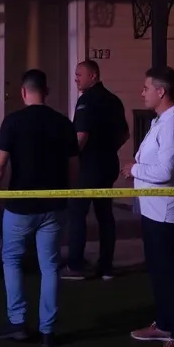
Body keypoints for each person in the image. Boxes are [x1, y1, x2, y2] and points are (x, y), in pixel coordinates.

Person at [0, 69, 78, 347]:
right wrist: (67, 196)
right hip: (54, 205)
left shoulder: (13, 122)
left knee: (11, 259)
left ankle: (18, 323)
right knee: (49, 266)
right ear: (45, 92)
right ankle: (47, 331)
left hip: (20, 207)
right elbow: (74, 167)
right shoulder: (63, 123)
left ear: (24, 92)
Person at [121, 66, 174, 347]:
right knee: (159, 271)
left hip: (169, 213)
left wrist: (134, 169)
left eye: (146, 87)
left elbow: (165, 172)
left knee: (173, 274)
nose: (142, 92)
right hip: (154, 211)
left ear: (161, 91)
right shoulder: (161, 121)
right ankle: (164, 324)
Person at [63, 60, 130, 281]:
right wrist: (108, 149)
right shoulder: (114, 100)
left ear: (93, 76)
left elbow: (80, 137)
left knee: (77, 214)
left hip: (87, 167)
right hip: (108, 165)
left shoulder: (87, 101)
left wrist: (68, 160)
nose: (76, 79)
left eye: (79, 75)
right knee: (105, 215)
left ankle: (75, 266)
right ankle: (107, 267)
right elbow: (124, 135)